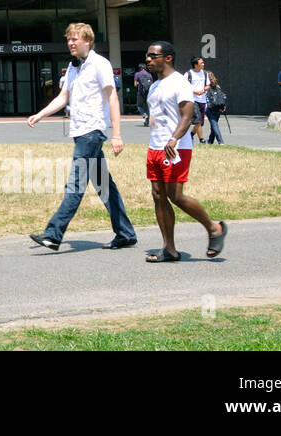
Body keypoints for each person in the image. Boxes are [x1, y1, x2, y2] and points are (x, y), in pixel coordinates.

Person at [26, 23, 136, 251]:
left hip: (92, 132)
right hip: (80, 132)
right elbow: (62, 97)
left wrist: (117, 135)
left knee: (75, 184)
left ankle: (53, 234)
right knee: (104, 185)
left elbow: (113, 98)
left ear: (88, 41)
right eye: (68, 39)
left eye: (75, 39)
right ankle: (125, 233)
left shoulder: (100, 64)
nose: (70, 43)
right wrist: (40, 114)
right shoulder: (73, 67)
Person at [142, 41, 227, 263]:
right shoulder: (154, 86)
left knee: (175, 195)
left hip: (176, 147)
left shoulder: (179, 82)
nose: (148, 60)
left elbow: (187, 117)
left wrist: (174, 138)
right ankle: (169, 249)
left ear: (167, 58)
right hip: (156, 147)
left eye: (153, 56)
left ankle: (214, 228)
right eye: (147, 56)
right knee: (158, 196)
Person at [185, 57, 209, 142]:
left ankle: (191, 134)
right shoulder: (188, 74)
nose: (203, 64)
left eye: (203, 63)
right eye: (201, 63)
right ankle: (202, 140)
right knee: (198, 120)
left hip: (202, 100)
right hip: (192, 100)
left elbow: (208, 85)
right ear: (195, 65)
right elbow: (184, 86)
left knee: (200, 122)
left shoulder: (205, 73)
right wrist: (195, 92)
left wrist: (204, 90)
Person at [204, 70, 227, 145]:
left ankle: (221, 141)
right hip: (218, 108)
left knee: (214, 125)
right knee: (214, 125)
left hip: (210, 108)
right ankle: (210, 141)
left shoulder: (206, 87)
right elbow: (222, 97)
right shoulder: (218, 86)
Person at [133, 62, 153, 127]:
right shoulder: (149, 75)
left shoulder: (137, 74)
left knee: (139, 106)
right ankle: (147, 121)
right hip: (148, 93)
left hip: (140, 93)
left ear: (140, 68)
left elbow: (135, 84)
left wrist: (140, 83)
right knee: (147, 107)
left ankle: (144, 115)